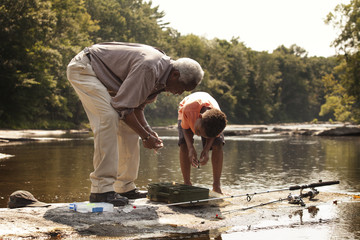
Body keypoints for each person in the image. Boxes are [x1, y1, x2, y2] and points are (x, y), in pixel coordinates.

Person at [66, 42, 204, 206]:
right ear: (174, 75)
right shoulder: (150, 68)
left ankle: (124, 187)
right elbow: (124, 107)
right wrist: (145, 136)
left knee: (129, 128)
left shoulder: (162, 77)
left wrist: (148, 131)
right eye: (182, 88)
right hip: (86, 69)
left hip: (105, 78)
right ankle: (101, 190)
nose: (179, 93)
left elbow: (136, 107)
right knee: (108, 118)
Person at [177, 92, 227, 194]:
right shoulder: (188, 109)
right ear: (199, 117)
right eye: (199, 132)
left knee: (218, 144)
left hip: (208, 118)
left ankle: (216, 186)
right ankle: (187, 183)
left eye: (203, 135)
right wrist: (191, 148)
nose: (198, 135)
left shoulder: (218, 121)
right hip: (187, 111)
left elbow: (213, 135)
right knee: (184, 144)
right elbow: (185, 128)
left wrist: (206, 149)